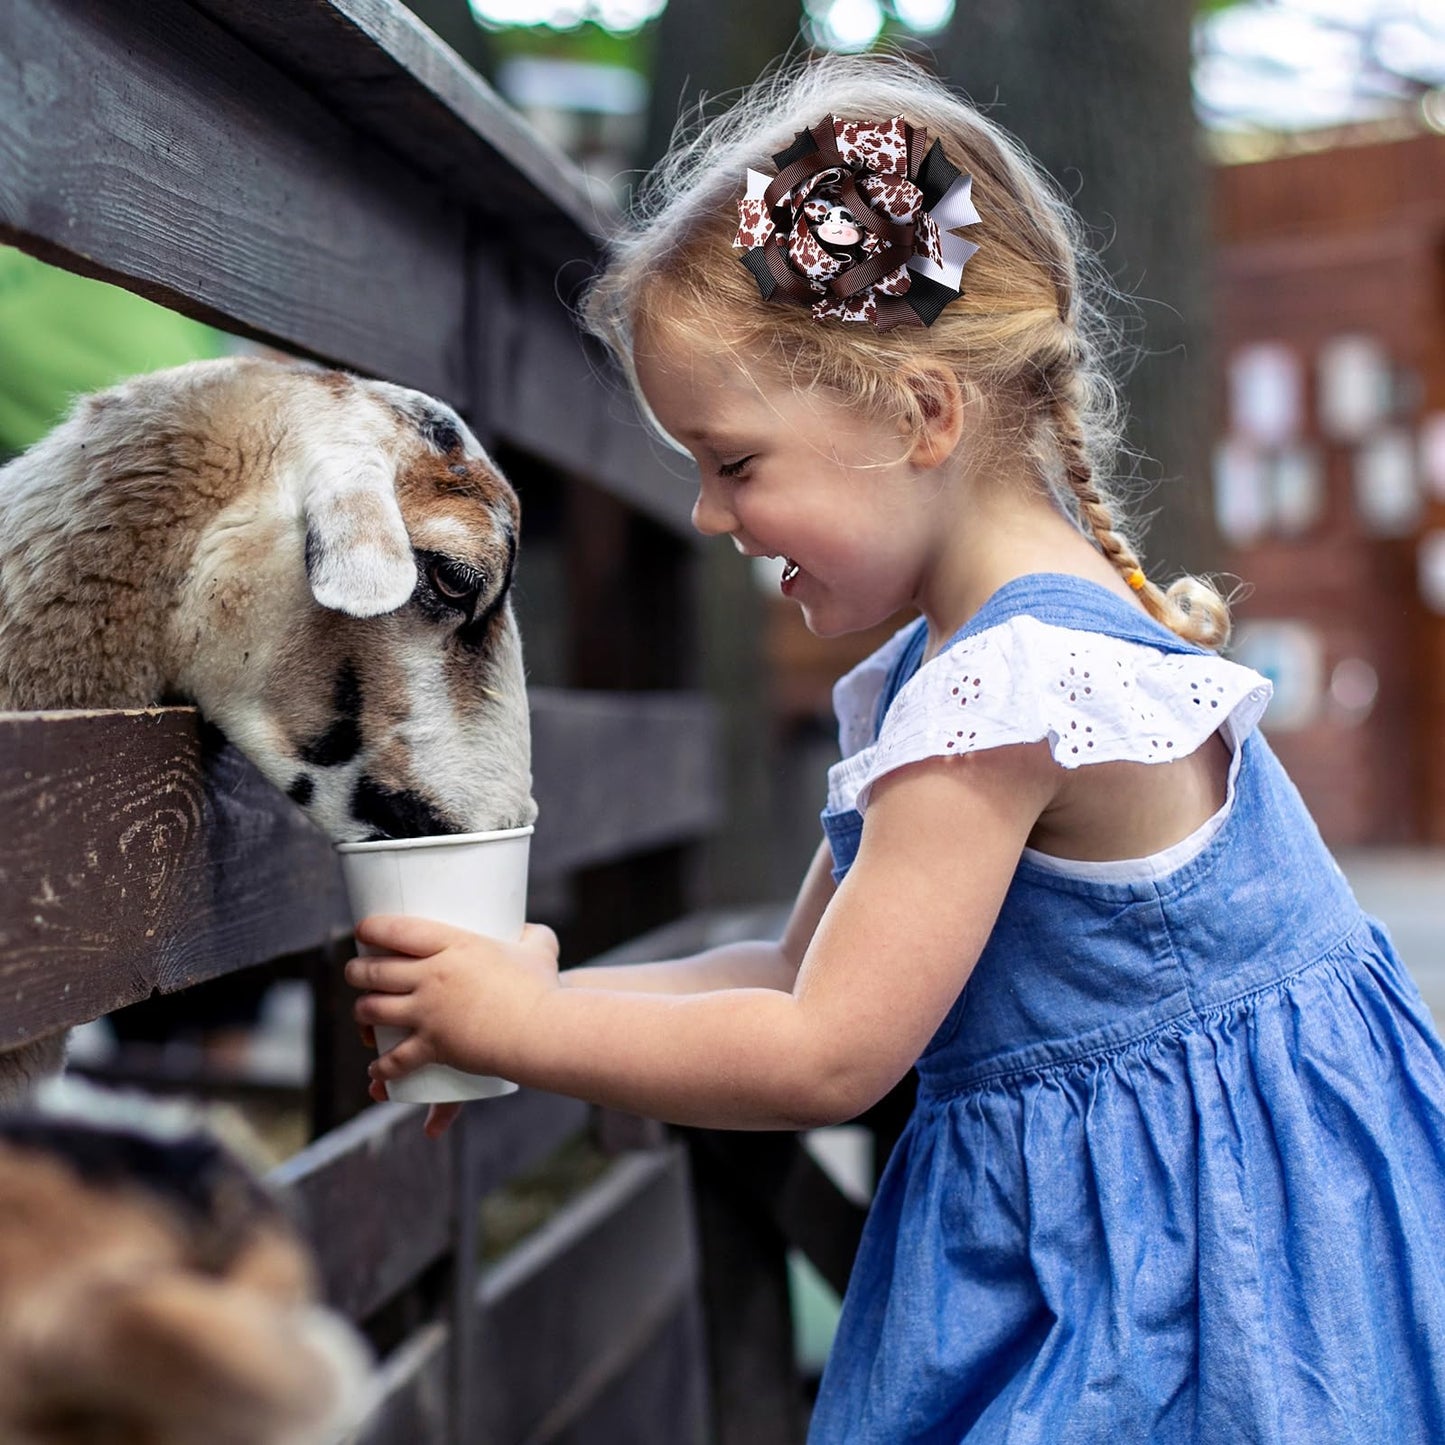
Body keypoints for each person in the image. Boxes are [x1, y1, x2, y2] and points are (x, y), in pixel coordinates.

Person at [346, 53, 1445, 1441]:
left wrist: (522, 1025)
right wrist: (543, 1007)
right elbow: (790, 971)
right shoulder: (966, 670)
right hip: (1197, 1234)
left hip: (1182, 1303)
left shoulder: (1009, 692)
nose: (706, 514)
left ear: (923, 415)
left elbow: (821, 1050)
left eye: (733, 461)